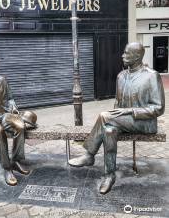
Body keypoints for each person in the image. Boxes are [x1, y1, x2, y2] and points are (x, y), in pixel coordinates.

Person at [68, 42, 165, 194]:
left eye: (126, 53)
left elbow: (159, 108)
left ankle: (89, 154)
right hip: (122, 122)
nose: (122, 56)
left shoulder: (152, 76)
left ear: (138, 56)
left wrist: (130, 111)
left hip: (144, 123)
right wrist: (116, 118)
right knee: (108, 130)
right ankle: (109, 175)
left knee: (104, 115)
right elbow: (117, 104)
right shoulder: (121, 76)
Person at [0, 52, 37, 186]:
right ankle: (7, 168)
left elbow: (10, 98)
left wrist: (13, 107)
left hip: (4, 114)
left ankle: (16, 160)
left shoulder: (2, 80)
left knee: (20, 125)